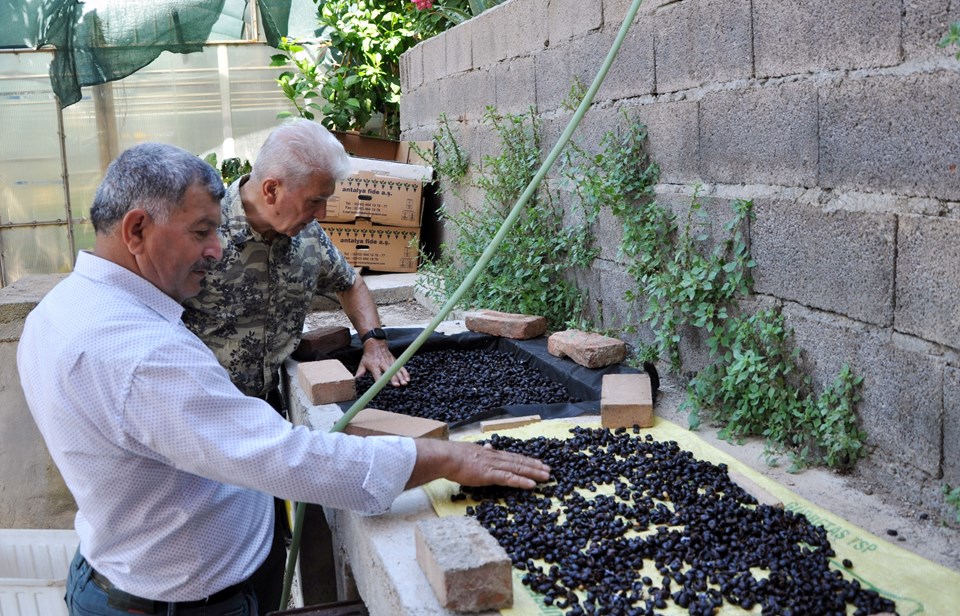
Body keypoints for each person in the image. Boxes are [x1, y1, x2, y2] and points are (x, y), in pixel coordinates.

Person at [17, 142, 551, 616]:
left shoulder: (64, 308)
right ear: (137, 229)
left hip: (136, 564)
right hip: (181, 600)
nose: (216, 248)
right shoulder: (144, 355)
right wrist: (445, 458)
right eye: (201, 233)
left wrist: (372, 339)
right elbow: (286, 459)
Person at [182, 118, 409, 419]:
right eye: (315, 201)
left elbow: (349, 282)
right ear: (272, 190)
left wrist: (374, 341)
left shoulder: (307, 232)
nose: (323, 213)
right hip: (200, 411)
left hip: (268, 408)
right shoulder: (199, 231)